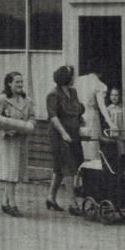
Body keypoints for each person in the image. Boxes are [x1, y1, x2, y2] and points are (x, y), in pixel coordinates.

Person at [0, 72, 35, 216]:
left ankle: (5, 202)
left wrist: (29, 125)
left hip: (21, 140)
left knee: (15, 172)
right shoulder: (1, 99)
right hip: (7, 141)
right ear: (9, 83)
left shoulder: (27, 100)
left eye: (21, 82)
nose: (20, 85)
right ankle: (12, 204)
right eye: (17, 82)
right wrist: (11, 127)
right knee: (10, 172)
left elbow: (32, 118)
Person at [46, 65, 85, 215]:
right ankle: (73, 204)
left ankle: (50, 198)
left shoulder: (73, 92)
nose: (74, 78)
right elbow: (53, 116)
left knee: (61, 167)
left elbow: (77, 109)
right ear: (66, 78)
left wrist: (81, 119)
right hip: (59, 135)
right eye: (72, 76)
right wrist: (63, 133)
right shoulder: (53, 95)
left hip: (73, 133)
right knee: (68, 166)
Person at [75, 66, 117, 161]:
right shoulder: (98, 84)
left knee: (82, 146)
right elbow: (102, 106)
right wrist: (110, 123)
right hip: (92, 117)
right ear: (101, 73)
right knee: (92, 147)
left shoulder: (79, 80)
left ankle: (81, 171)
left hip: (79, 116)